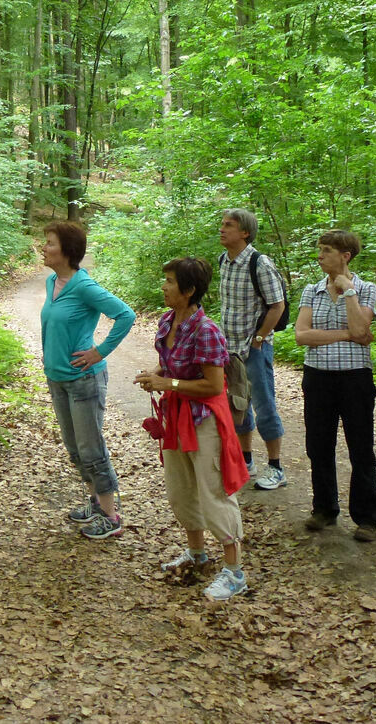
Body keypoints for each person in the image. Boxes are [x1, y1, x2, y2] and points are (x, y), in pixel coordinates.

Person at [136, 257, 251, 602]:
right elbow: (168, 363)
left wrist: (166, 381)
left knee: (213, 491)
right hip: (176, 416)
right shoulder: (168, 321)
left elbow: (214, 386)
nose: (164, 287)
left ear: (188, 290)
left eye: (170, 281)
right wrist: (155, 375)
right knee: (181, 488)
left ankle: (234, 572)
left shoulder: (207, 331)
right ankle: (197, 554)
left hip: (204, 420)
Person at [40, 221, 136, 540]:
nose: (44, 247)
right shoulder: (52, 281)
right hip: (58, 379)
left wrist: (99, 351)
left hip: (84, 380)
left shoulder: (83, 286)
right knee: (74, 449)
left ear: (67, 251)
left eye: (50, 243)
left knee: (91, 449)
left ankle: (111, 516)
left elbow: (125, 314)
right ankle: (95, 503)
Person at [294, 230, 376, 541]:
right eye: (320, 249)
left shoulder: (366, 288)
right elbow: (302, 335)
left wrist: (348, 292)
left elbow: (362, 327)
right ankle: (324, 508)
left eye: (327, 250)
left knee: (360, 446)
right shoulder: (311, 291)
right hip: (317, 376)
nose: (320, 255)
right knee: (318, 445)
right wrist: (347, 334)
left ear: (346, 255)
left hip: (355, 376)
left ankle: (368, 519)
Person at [217, 208, 288, 490]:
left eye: (229, 225)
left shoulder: (260, 263)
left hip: (254, 349)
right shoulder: (224, 260)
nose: (222, 229)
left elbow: (277, 305)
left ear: (245, 232)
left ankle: (276, 467)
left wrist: (259, 338)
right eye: (222, 224)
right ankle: (246, 460)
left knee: (264, 405)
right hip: (229, 349)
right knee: (238, 406)